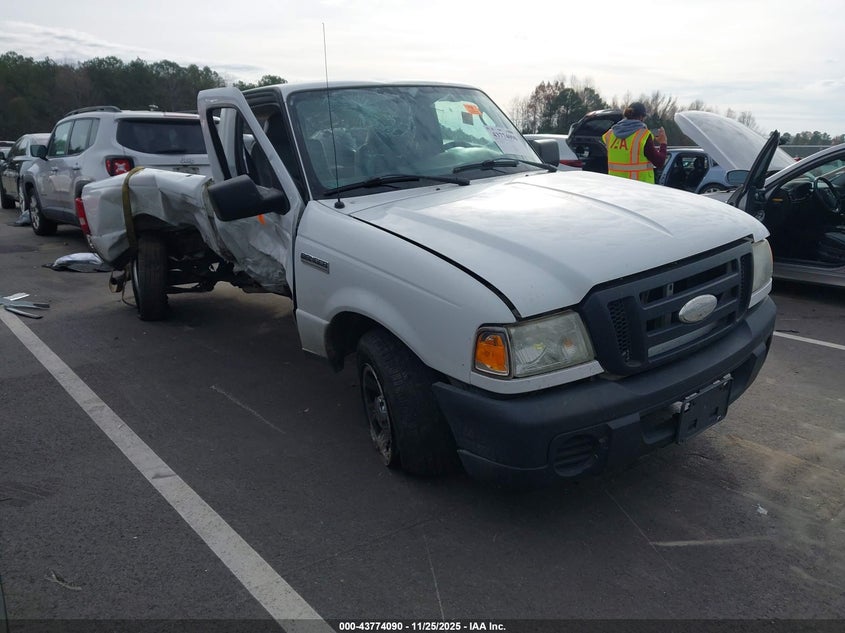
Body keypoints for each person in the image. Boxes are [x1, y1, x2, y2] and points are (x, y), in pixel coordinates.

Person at [602, 102, 667, 183]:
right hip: (638, 189)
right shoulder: (642, 135)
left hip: (615, 187)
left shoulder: (610, 135)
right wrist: (663, 143)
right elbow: (659, 162)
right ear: (641, 117)